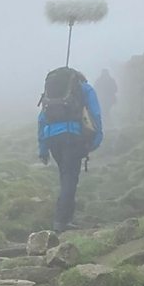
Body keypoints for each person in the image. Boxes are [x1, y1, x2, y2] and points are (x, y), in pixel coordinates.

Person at [38, 67, 103, 233]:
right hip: (71, 136)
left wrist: (43, 148)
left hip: (52, 138)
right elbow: (95, 113)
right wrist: (97, 137)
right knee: (70, 177)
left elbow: (42, 119)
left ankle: (67, 217)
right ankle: (61, 220)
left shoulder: (51, 92)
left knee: (65, 175)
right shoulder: (84, 88)